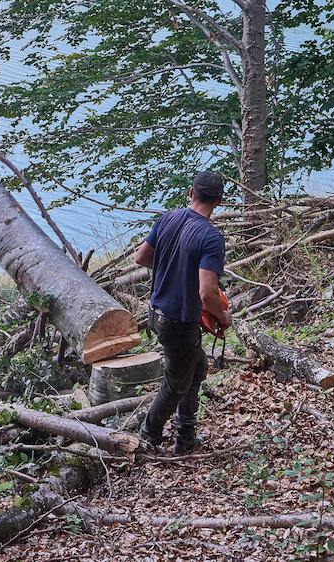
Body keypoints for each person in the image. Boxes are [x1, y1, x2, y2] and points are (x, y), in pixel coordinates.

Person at [135, 171, 232, 455]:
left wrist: (170, 269)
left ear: (191, 193)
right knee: (175, 384)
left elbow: (141, 257)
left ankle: (185, 436)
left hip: (155, 313)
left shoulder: (167, 218)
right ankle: (148, 438)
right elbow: (207, 293)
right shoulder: (211, 238)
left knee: (197, 366)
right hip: (178, 322)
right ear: (219, 201)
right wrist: (223, 317)